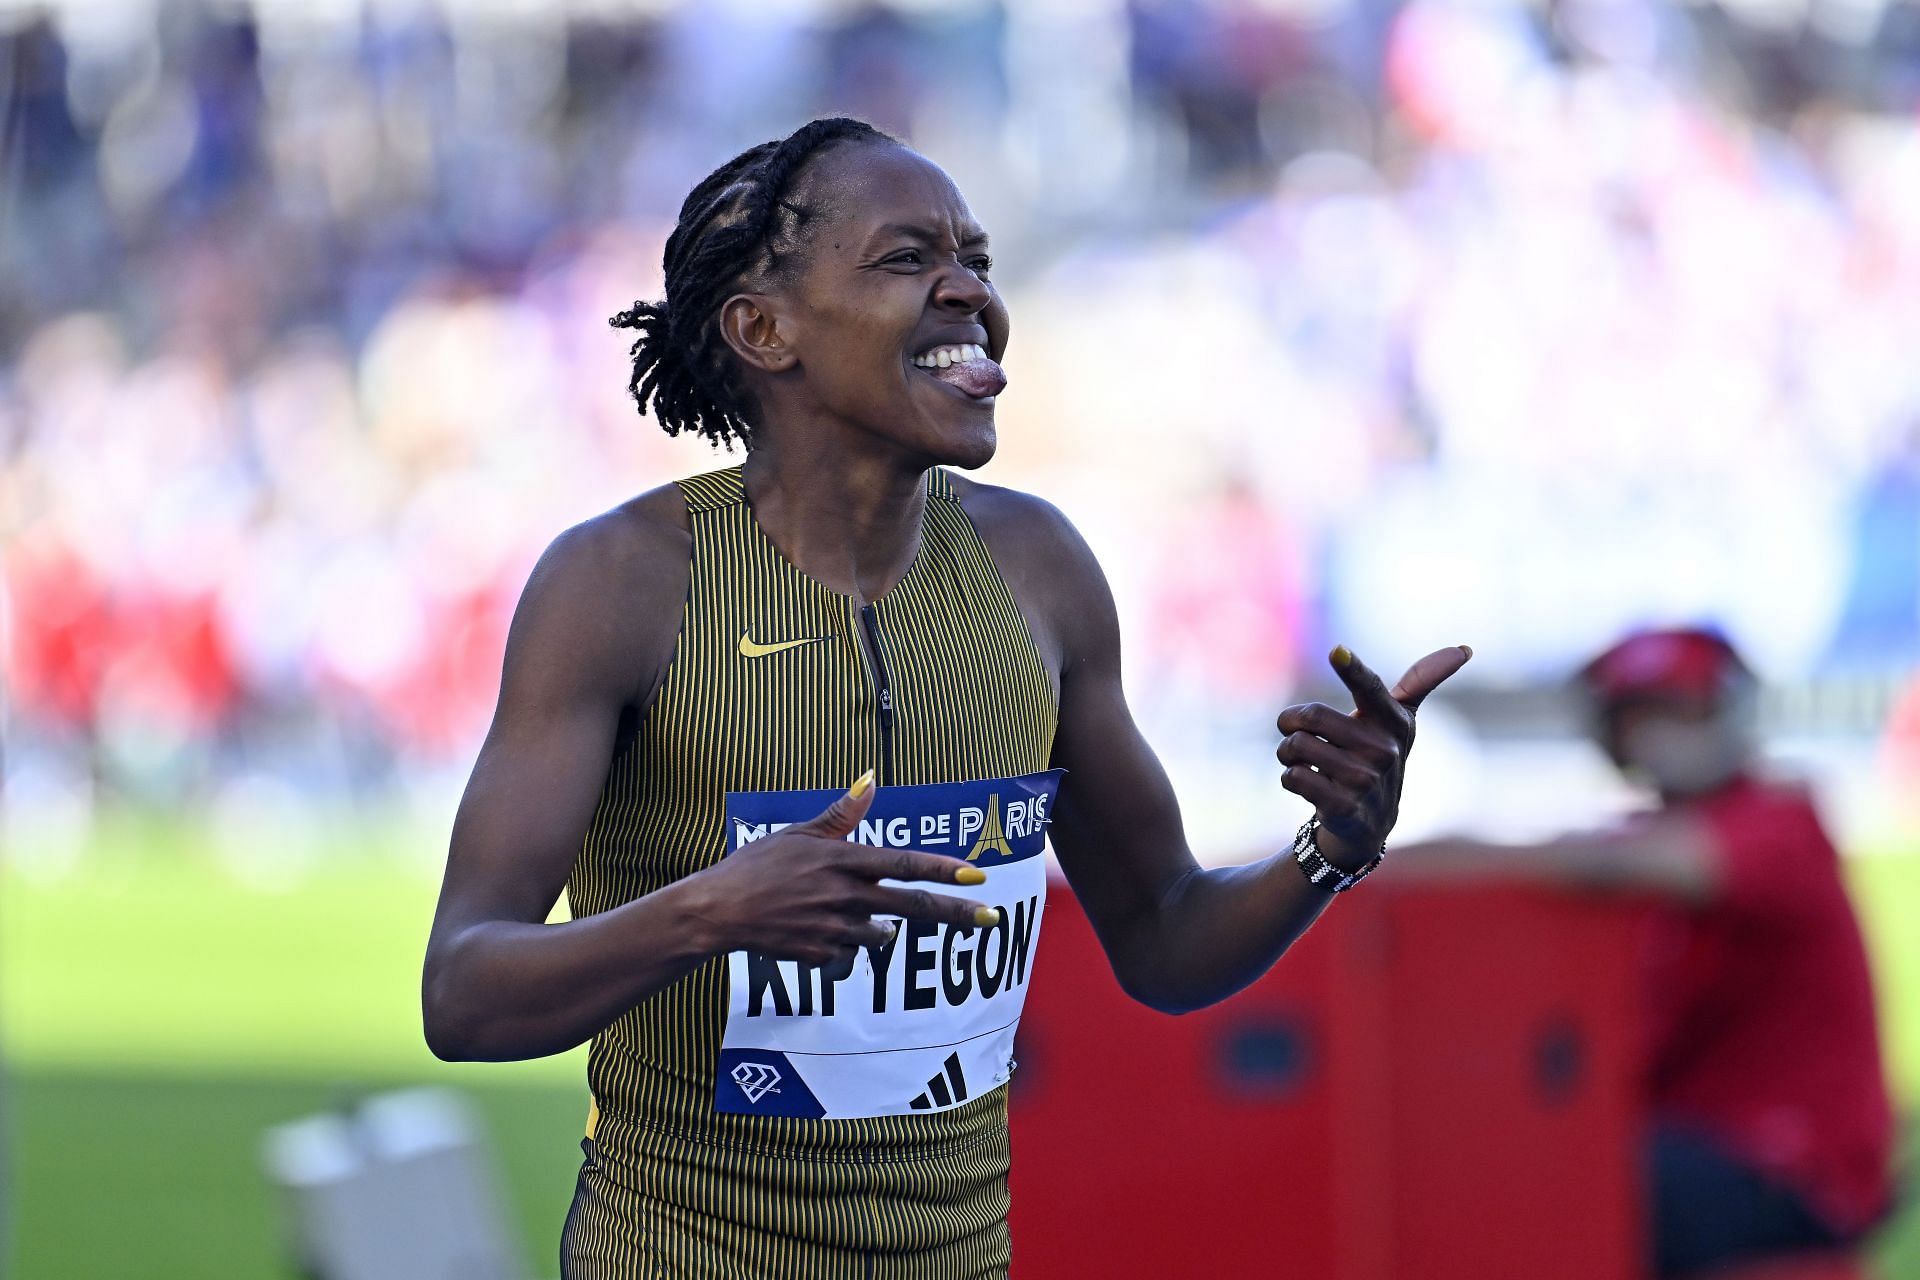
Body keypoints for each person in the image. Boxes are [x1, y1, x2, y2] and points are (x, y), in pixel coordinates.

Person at [420, 116, 1471, 1279]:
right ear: (764, 328)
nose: (969, 290)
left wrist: (1331, 847)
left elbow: (1168, 938)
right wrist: (713, 910)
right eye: (906, 258)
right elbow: (465, 991)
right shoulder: (621, 582)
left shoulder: (1040, 570)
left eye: (975, 258)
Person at [1394, 626, 1896, 1278]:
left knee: (1550, 1186)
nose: (1666, 732)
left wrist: (1434, 865)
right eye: (1645, 713)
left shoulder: (1778, 821)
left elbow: (1630, 862)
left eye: (1685, 708)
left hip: (1793, 1171)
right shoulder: (1645, 845)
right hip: (1699, 1151)